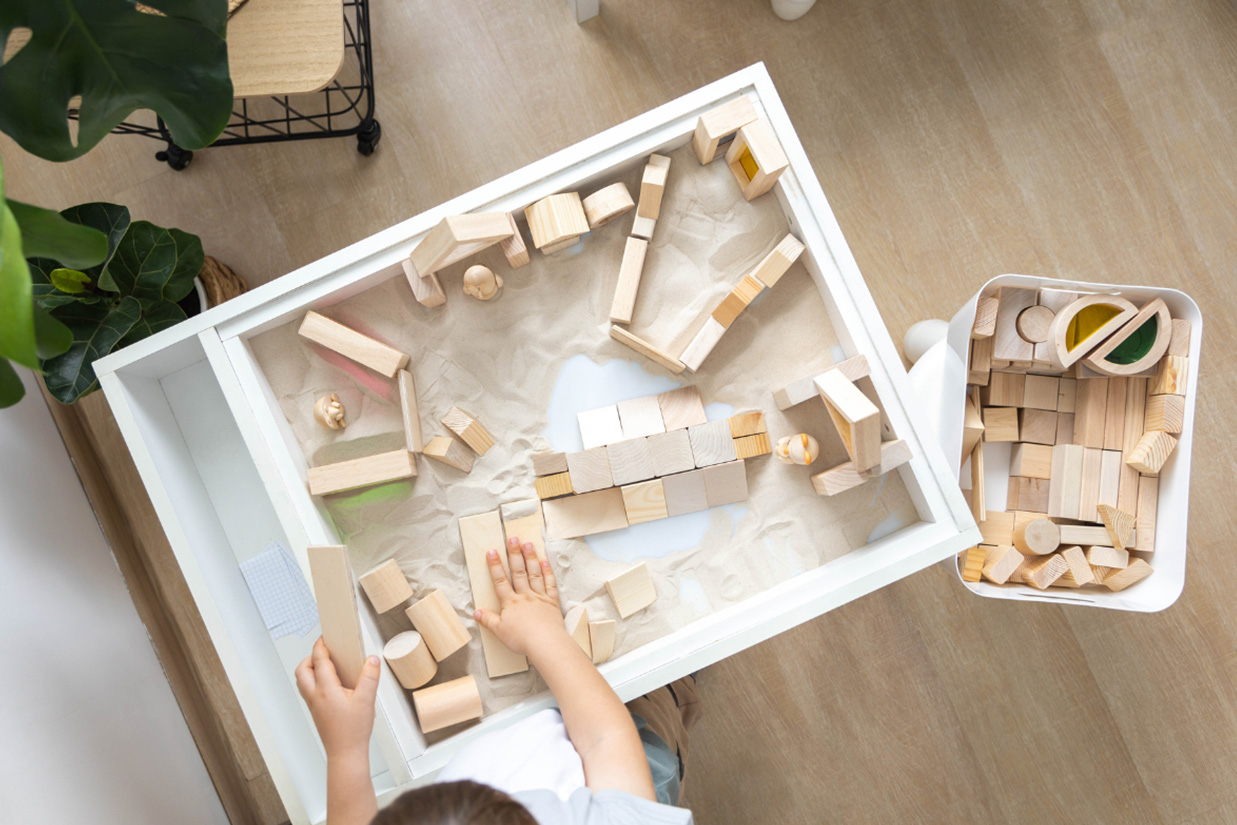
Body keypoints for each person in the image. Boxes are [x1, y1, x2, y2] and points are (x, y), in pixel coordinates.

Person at [296, 537, 700, 825]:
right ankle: (680, 695)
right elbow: (606, 739)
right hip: (619, 765)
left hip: (526, 744)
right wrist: (544, 633)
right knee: (657, 697)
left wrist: (345, 752)